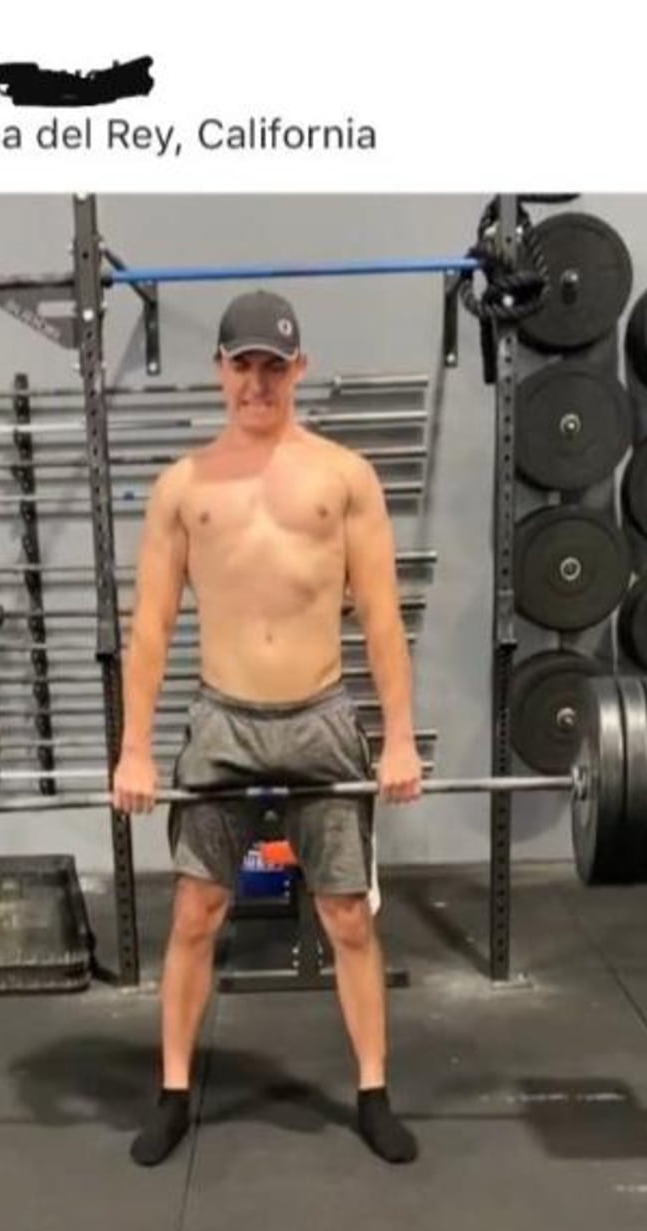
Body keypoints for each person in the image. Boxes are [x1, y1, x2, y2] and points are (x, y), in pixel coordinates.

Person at [112, 288, 425, 1168]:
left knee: (347, 917)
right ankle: (174, 1092)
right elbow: (150, 626)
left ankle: (372, 1090)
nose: (258, 382)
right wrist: (136, 746)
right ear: (220, 370)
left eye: (274, 366)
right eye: (243, 365)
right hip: (221, 720)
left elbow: (383, 618)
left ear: (299, 369)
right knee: (195, 911)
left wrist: (399, 736)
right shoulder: (182, 487)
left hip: (323, 717)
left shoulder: (343, 476)